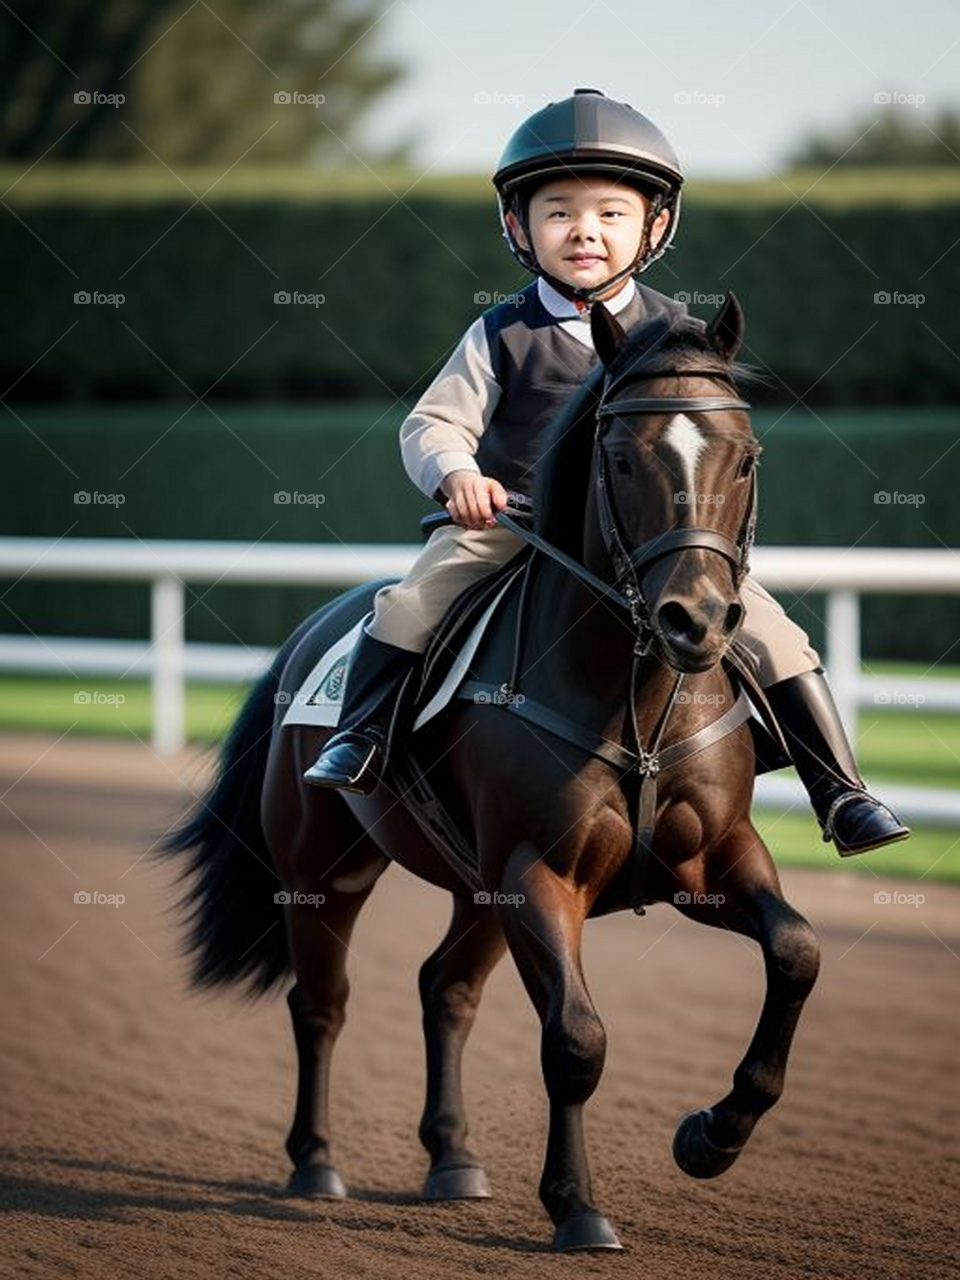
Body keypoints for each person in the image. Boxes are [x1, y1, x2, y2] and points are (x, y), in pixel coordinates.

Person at [304, 88, 908, 858]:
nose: (585, 230)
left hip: (652, 544)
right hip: (514, 528)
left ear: (654, 227)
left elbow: (714, 441)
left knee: (777, 635)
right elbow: (433, 424)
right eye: (559, 212)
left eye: (611, 214)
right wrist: (457, 474)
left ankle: (842, 793)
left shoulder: (679, 334)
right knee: (408, 605)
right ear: (517, 227)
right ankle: (359, 740)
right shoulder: (501, 331)